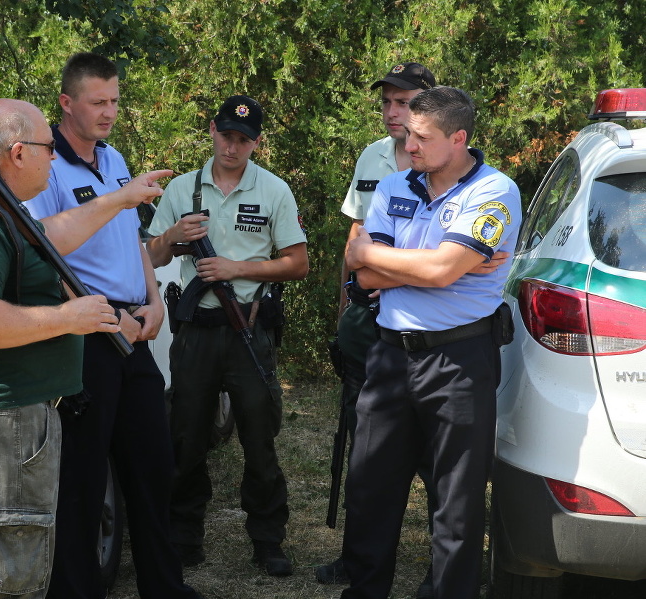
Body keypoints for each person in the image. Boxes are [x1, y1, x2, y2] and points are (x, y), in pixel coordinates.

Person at [0, 98, 170, 599]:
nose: (53, 158)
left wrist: (120, 199)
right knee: (1, 576)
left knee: (25, 567)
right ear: (16, 152)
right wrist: (67, 317)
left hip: (24, 420)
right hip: (0, 423)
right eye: (47, 148)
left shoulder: (0, 207)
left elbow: (52, 234)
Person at [22, 53, 201, 599]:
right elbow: (42, 252)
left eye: (115, 101)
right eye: (98, 102)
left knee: (152, 466)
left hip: (134, 329)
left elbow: (131, 239)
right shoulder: (44, 166)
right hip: (84, 337)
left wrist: (153, 302)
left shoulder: (114, 157)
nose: (109, 112)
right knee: (82, 481)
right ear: (66, 103)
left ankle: (164, 587)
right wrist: (109, 317)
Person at [339, 86, 520, 599]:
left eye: (422, 136)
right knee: (371, 489)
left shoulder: (495, 191)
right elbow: (363, 275)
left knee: (456, 505)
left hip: (459, 362)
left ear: (458, 138)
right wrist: (432, 263)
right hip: (390, 355)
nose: (408, 144)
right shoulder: (396, 184)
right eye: (409, 135)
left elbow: (435, 271)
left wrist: (384, 258)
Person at [146, 94, 309, 576]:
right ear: (212, 131)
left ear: (255, 143)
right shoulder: (181, 188)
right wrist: (174, 234)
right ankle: (182, 537)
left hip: (249, 330)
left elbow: (298, 263)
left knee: (259, 438)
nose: (231, 147)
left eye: (242, 139)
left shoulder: (275, 190)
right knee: (187, 436)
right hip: (195, 331)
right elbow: (150, 256)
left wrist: (237, 267)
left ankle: (267, 539)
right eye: (225, 135)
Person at [318, 61, 439, 595]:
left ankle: (444, 565)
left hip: (420, 321)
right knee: (362, 441)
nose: (393, 111)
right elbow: (356, 231)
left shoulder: (445, 161)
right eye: (387, 102)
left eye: (404, 101)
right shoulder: (372, 156)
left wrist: (377, 268)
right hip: (367, 317)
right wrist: (346, 297)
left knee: (435, 456)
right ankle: (356, 556)